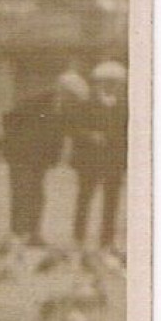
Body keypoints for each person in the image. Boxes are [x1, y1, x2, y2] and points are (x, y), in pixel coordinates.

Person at [0, 71, 88, 246]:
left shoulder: (66, 109)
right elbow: (9, 118)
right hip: (21, 154)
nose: (73, 101)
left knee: (38, 195)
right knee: (21, 192)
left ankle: (33, 233)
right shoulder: (38, 100)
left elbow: (68, 132)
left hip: (41, 158)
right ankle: (17, 233)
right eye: (72, 96)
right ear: (63, 90)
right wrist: (14, 142)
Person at [70, 60, 129, 252]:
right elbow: (74, 128)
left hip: (114, 160)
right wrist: (90, 135)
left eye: (115, 83)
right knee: (84, 197)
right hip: (90, 159)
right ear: (98, 83)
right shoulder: (87, 103)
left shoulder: (125, 107)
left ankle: (106, 240)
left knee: (111, 200)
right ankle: (78, 237)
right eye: (106, 82)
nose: (111, 86)